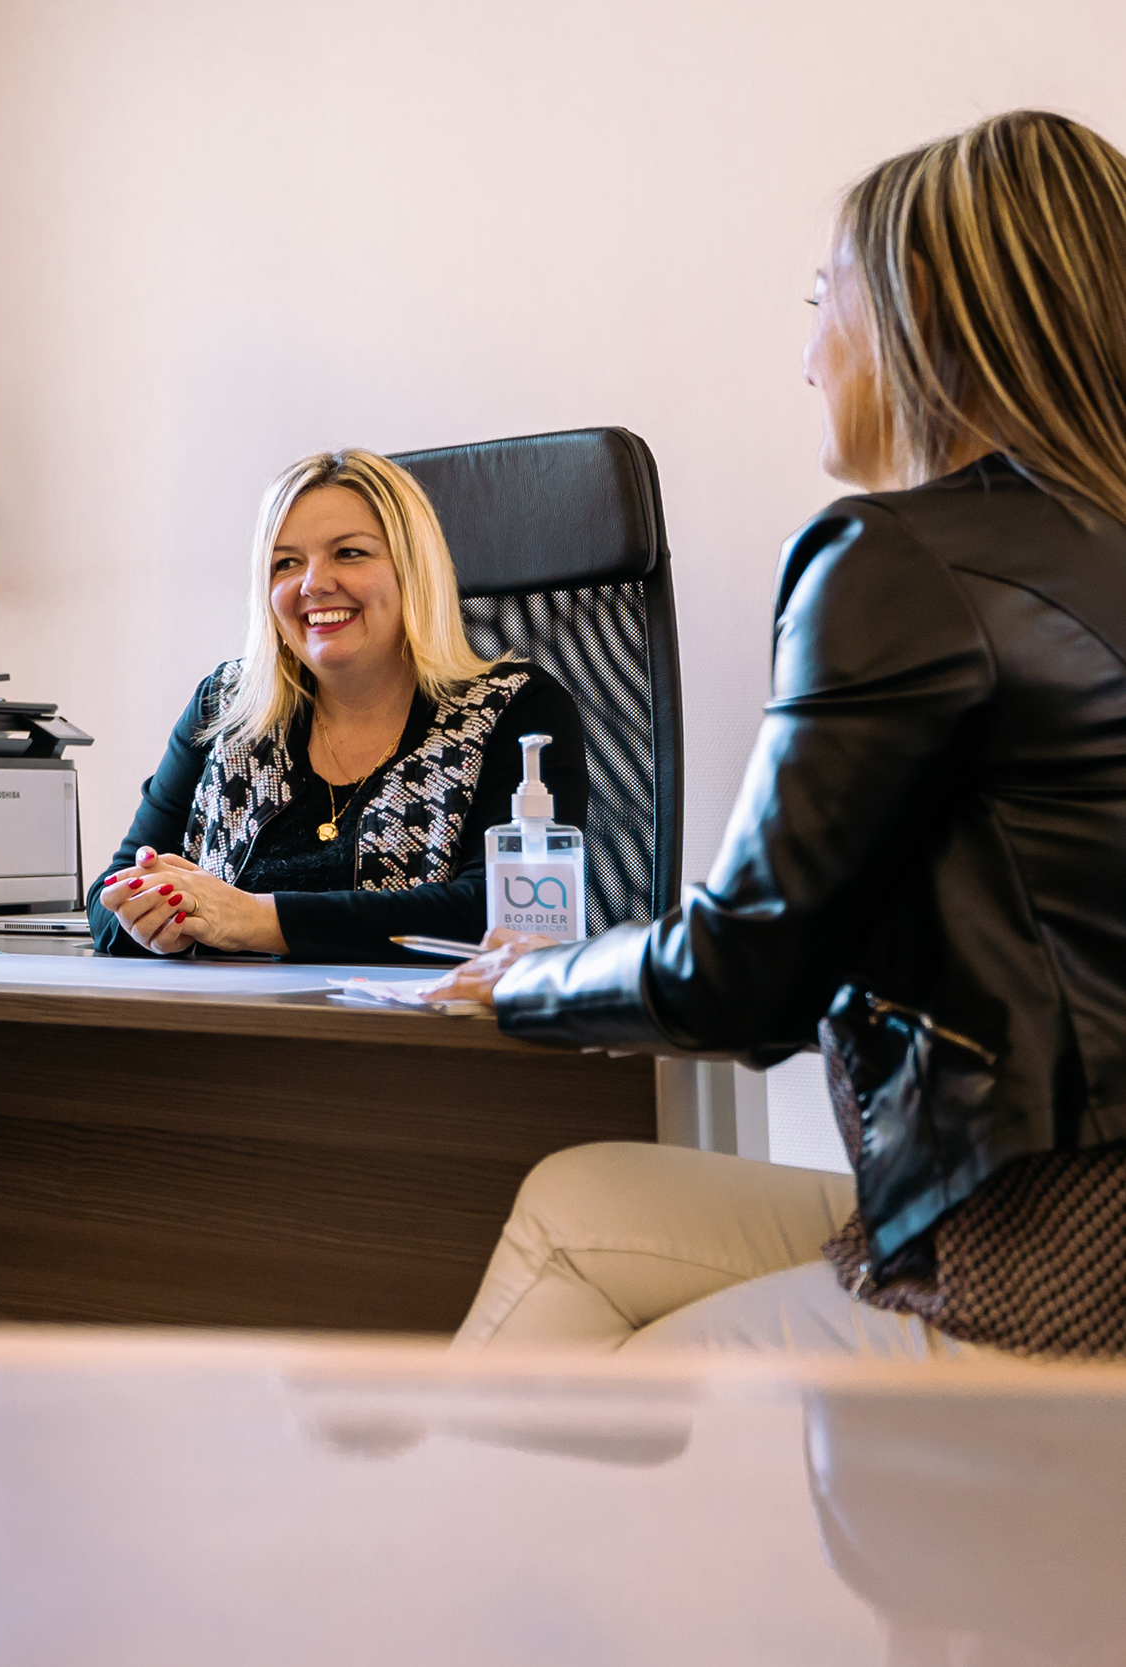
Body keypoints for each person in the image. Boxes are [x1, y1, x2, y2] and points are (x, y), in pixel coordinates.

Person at [441, 110, 1126, 1359]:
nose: (809, 352)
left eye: (822, 296)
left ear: (921, 315)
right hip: (1038, 1199)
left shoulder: (894, 560)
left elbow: (745, 972)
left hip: (1043, 1272)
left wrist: (525, 981)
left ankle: (443, 1554)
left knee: (629, 1394)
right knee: (579, 1204)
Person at [91, 450, 584, 961]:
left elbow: (503, 915)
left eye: (349, 553)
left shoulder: (515, 709)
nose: (313, 583)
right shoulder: (226, 707)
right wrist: (149, 917)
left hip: (409, 1034)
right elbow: (110, 895)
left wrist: (254, 920)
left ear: (414, 571)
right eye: (286, 562)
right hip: (219, 1030)